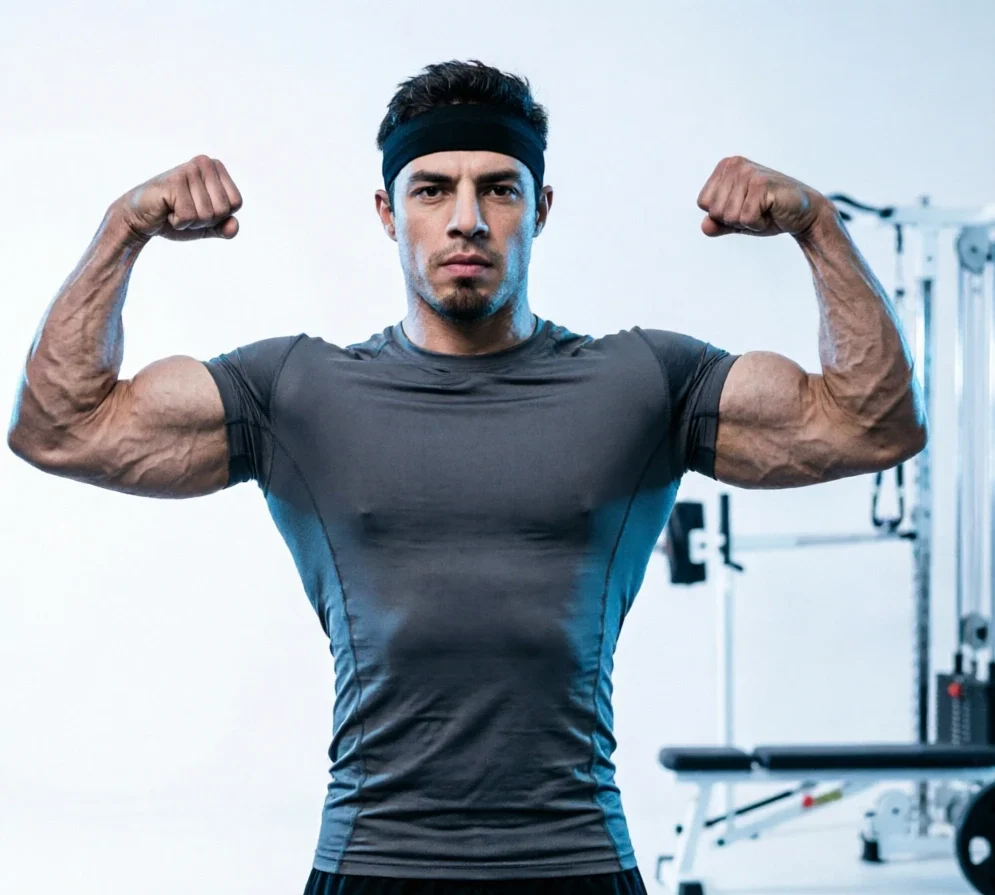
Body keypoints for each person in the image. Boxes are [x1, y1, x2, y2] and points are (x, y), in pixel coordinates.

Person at [6, 59, 926, 895]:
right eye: (431, 188)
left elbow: (873, 422)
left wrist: (818, 225)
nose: (466, 220)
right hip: (372, 863)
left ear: (542, 205)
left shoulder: (644, 382)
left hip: (577, 862)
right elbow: (58, 427)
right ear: (386, 211)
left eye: (499, 189)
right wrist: (123, 228)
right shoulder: (296, 390)